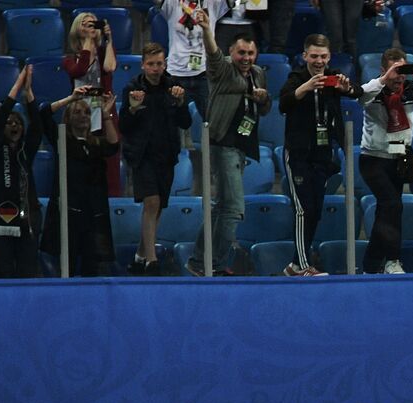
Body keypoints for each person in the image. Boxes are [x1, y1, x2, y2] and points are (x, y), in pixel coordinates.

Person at [188, 11, 270, 276]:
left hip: (243, 147)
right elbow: (212, 54)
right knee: (234, 209)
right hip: (223, 144)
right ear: (231, 53)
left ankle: (199, 262)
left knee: (223, 207)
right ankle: (215, 265)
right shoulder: (222, 69)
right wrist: (206, 30)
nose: (246, 58)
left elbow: (265, 109)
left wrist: (263, 98)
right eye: (241, 53)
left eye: (250, 53)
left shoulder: (258, 73)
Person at [358, 49, 413, 274]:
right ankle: (386, 261)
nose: (399, 77)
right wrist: (383, 80)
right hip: (373, 159)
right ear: (383, 70)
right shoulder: (374, 88)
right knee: (392, 205)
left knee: (389, 210)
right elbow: (361, 96)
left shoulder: (411, 89)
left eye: (403, 71)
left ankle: (378, 263)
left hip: (399, 158)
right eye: (394, 71)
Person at [279, 34, 356, 277]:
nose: (319, 61)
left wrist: (347, 87)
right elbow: (284, 103)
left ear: (329, 56)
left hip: (323, 155)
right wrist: (307, 87)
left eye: (323, 56)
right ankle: (302, 266)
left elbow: (356, 93)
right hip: (299, 155)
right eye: (314, 56)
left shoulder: (334, 78)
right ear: (305, 56)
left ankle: (294, 265)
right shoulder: (296, 77)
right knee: (303, 210)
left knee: (315, 211)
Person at [121, 43, 191, 275]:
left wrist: (181, 103)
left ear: (165, 64)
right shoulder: (133, 88)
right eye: (151, 64)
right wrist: (132, 108)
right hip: (142, 155)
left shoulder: (174, 88)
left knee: (158, 206)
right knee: (151, 203)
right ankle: (151, 260)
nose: (155, 68)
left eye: (159, 63)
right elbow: (124, 126)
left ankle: (140, 255)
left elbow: (186, 123)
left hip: (166, 154)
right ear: (143, 65)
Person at [40, 88, 120, 276]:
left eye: (86, 112)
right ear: (68, 118)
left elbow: (114, 145)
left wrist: (107, 114)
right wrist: (71, 98)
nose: (83, 116)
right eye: (77, 112)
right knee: (67, 267)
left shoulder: (96, 144)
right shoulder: (62, 140)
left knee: (92, 268)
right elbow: (43, 114)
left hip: (93, 215)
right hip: (70, 214)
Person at [0, 64, 43, 278]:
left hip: (26, 219)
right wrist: (16, 87)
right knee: (4, 271)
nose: (13, 125)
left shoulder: (26, 150)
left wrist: (29, 93)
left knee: (28, 272)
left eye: (18, 123)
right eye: (9, 123)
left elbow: (38, 126)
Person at [63, 11, 120, 196]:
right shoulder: (70, 58)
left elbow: (109, 67)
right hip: (81, 112)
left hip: (103, 110)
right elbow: (79, 70)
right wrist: (88, 41)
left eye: (93, 24)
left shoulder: (104, 52)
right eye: (85, 24)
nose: (90, 27)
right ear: (76, 29)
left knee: (108, 158)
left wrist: (109, 39)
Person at [155, 0, 218, 116]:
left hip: (204, 74)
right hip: (176, 75)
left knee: (209, 122)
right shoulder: (172, 4)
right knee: (175, 122)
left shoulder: (212, 3)